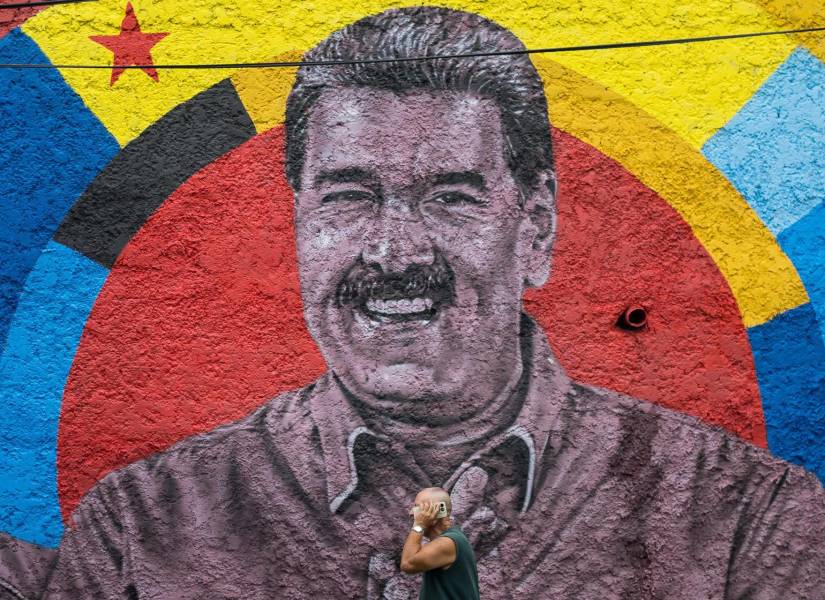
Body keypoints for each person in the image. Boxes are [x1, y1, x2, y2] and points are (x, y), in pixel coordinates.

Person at [40, 6, 824, 599]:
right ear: (300, 225)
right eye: (348, 196)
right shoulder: (142, 530)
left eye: (450, 197)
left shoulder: (745, 524)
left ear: (536, 227)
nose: (394, 252)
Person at [400, 488, 479, 600]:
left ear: (438, 511)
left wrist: (419, 525)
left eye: (417, 507)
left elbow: (407, 563)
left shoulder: (449, 542)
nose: (411, 513)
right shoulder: (452, 539)